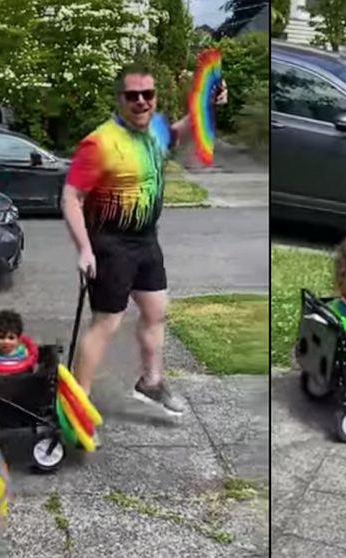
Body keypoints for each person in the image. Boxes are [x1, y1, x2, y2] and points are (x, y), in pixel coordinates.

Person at [60, 63, 227, 416]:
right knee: (107, 322)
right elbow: (71, 196)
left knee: (156, 312)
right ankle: (78, 402)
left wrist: (207, 106)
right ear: (119, 98)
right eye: (132, 95)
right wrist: (85, 249)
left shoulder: (155, 129)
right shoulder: (99, 142)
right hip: (110, 243)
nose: (140, 101)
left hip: (147, 240)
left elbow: (179, 132)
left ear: (155, 97)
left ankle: (151, 382)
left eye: (147, 94)